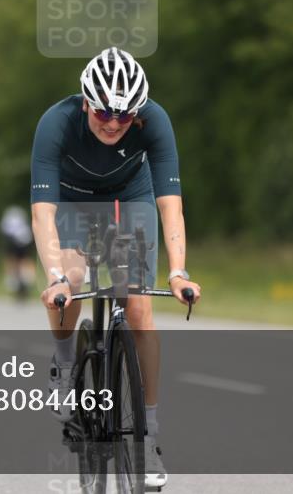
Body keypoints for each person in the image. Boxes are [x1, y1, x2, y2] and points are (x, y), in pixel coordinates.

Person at [30, 46, 202, 489]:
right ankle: (66, 366)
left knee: (140, 310)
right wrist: (54, 278)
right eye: (104, 111)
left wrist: (178, 271)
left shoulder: (156, 121)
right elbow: (43, 214)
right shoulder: (56, 123)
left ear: (138, 114)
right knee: (70, 281)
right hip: (71, 204)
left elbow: (170, 205)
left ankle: (148, 438)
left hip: (131, 203)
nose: (112, 122)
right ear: (86, 101)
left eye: (124, 117)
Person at [0, 205, 36, 300]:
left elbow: (3, 229)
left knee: (11, 258)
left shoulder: (10, 215)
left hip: (16, 240)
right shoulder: (19, 214)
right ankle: (27, 278)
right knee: (24, 259)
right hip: (24, 240)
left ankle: (12, 279)